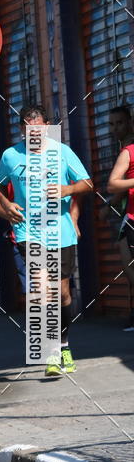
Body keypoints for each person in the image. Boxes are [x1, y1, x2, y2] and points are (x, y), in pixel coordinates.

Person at [0, 104, 92, 376]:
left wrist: (67, 189)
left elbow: (87, 184)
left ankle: (64, 345)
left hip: (61, 232)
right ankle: (51, 353)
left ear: (47, 127)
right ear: (21, 130)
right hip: (28, 231)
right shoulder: (10, 155)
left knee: (62, 293)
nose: (34, 134)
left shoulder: (62, 152)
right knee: (43, 288)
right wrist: (7, 205)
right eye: (28, 130)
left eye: (38, 129)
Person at [102, 105, 134, 329]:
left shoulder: (128, 149)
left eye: (119, 123)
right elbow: (118, 187)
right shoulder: (126, 149)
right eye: (111, 124)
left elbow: (115, 185)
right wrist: (109, 206)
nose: (115, 129)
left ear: (130, 122)